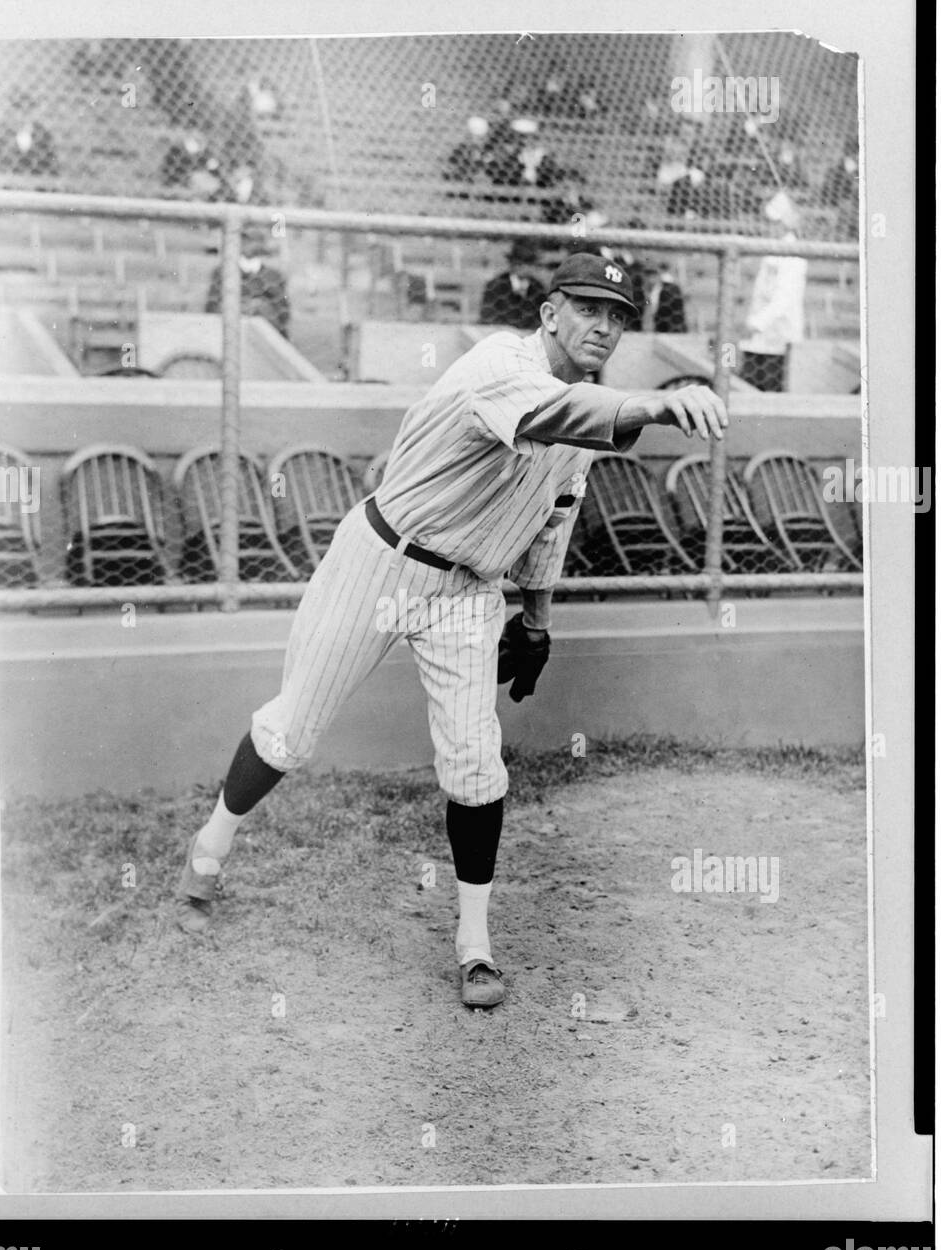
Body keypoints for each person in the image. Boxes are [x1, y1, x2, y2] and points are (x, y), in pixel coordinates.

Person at [173, 252, 728, 1008]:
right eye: (588, 307)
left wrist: (534, 621)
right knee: (290, 734)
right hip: (379, 559)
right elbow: (550, 416)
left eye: (619, 316)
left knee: (475, 765)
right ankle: (211, 845)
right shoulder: (500, 363)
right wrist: (656, 406)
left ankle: (475, 947)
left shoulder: (587, 411)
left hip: (467, 590)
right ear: (549, 313)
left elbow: (550, 523)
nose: (603, 324)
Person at [739, 191, 807, 393]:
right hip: (756, 337)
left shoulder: (792, 253)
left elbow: (784, 299)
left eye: (772, 222)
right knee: (744, 385)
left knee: (767, 391)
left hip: (776, 336)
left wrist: (755, 324)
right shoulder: (773, 249)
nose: (766, 226)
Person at [204, 229, 290, 339]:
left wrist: (259, 305)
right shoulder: (223, 272)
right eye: (243, 240)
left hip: (263, 334)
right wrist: (238, 307)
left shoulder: (273, 275)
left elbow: (283, 314)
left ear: (261, 244)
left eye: (251, 240)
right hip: (230, 330)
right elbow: (211, 308)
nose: (246, 244)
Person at [479, 239, 547, 328]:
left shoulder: (538, 288)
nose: (521, 267)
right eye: (518, 263)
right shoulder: (496, 286)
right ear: (511, 263)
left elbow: (542, 318)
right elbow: (487, 316)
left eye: (527, 263)